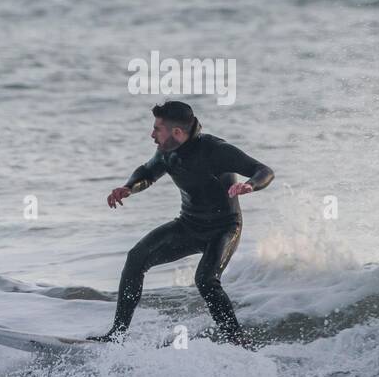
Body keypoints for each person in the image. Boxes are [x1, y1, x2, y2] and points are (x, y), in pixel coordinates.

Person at [92, 100, 274, 348]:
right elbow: (147, 172)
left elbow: (263, 170)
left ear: (177, 132)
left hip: (223, 229)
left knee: (206, 280)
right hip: (189, 225)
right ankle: (116, 336)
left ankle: (237, 342)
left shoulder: (215, 150)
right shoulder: (168, 152)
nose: (152, 134)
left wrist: (250, 185)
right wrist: (128, 188)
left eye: (157, 129)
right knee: (136, 258)